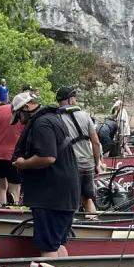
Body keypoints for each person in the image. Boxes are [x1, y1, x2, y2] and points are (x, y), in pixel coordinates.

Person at [12, 90, 80, 258]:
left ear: (26, 108)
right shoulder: (53, 119)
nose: (20, 122)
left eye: (19, 116)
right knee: (57, 243)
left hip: (51, 195)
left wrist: (23, 164)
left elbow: (48, 157)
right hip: (65, 193)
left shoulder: (41, 123)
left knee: (48, 246)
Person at [56, 86, 101, 216]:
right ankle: (93, 225)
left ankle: (71, 230)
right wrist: (97, 163)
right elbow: (96, 143)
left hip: (69, 165)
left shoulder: (56, 119)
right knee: (87, 198)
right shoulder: (85, 116)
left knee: (70, 200)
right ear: (70, 100)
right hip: (87, 164)